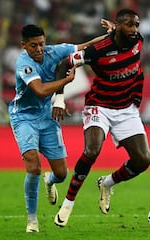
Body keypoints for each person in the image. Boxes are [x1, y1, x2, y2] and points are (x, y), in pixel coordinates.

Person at [8, 23, 112, 233]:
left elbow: (86, 47)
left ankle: (50, 180)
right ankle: (32, 220)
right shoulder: (24, 64)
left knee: (62, 173)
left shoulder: (54, 51)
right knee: (33, 165)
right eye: (33, 45)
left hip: (47, 118)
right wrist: (65, 83)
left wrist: (110, 36)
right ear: (24, 46)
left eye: (41, 44)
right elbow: (39, 90)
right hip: (24, 117)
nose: (38, 49)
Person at [53, 8, 150, 227]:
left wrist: (117, 29)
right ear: (119, 26)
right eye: (129, 25)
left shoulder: (138, 40)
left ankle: (107, 183)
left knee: (143, 161)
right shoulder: (98, 51)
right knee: (92, 150)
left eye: (136, 25)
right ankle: (68, 203)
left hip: (126, 109)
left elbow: (125, 37)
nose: (134, 29)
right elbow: (63, 65)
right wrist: (59, 99)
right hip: (100, 105)